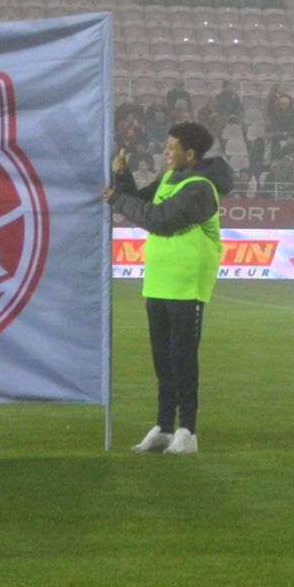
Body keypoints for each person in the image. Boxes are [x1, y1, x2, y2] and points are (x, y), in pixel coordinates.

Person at [106, 121, 235, 457]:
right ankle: (163, 427)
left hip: (187, 284)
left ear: (189, 154)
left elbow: (159, 220)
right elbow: (141, 203)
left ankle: (186, 430)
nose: (165, 152)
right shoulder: (171, 179)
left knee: (183, 360)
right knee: (163, 360)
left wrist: (116, 199)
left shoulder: (200, 188)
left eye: (171, 147)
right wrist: (121, 177)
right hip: (160, 282)